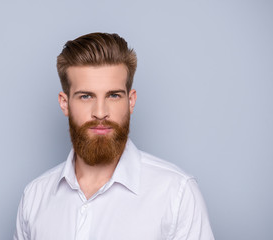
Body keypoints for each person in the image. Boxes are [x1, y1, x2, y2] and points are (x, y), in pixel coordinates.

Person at [13, 32, 214, 240]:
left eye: (114, 95)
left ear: (131, 101)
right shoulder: (34, 198)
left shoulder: (176, 195)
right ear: (65, 103)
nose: (100, 112)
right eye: (85, 96)